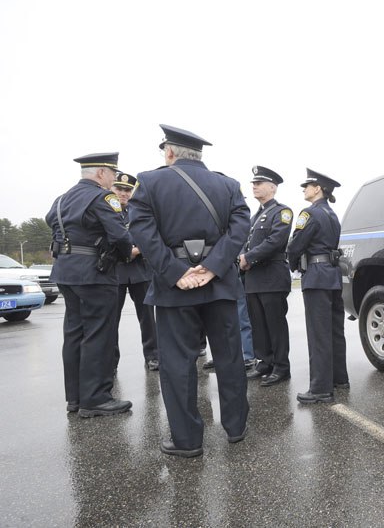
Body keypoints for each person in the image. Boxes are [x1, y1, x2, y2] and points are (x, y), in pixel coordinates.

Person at [127, 125, 250, 458]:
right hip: (220, 284)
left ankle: (187, 440)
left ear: (169, 152)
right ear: (199, 154)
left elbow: (141, 230)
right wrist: (214, 266)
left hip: (174, 290)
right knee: (229, 358)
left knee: (178, 364)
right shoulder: (229, 185)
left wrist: (176, 272)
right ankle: (236, 428)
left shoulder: (150, 182)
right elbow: (241, 227)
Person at [45, 153, 134, 418]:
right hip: (95, 273)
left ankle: (75, 398)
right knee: (99, 334)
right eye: (113, 174)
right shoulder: (103, 197)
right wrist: (126, 253)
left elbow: (51, 222)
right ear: (101, 173)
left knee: (74, 333)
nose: (114, 180)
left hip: (65, 272)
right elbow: (120, 234)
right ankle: (95, 399)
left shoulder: (61, 199)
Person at [287, 168, 348, 404]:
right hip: (332, 275)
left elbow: (295, 245)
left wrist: (293, 264)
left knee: (318, 334)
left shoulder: (310, 213)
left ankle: (321, 388)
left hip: (316, 276)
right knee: (334, 331)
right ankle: (339, 378)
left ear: (318, 189)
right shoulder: (332, 214)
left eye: (307, 185)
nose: (304, 189)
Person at [239, 166, 293, 387]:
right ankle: (265, 362)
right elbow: (247, 241)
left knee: (275, 324)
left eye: (259, 183)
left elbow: (275, 241)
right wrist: (242, 255)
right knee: (258, 324)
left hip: (272, 277)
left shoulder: (282, 212)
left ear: (272, 187)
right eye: (253, 183)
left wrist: (249, 258)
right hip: (254, 279)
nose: (254, 186)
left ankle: (281, 366)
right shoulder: (256, 215)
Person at [111, 172, 159, 372]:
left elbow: (151, 233)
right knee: (111, 320)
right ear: (112, 190)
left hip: (140, 269)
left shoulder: (140, 211)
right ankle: (110, 363)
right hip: (115, 271)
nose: (123, 193)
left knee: (147, 318)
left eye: (127, 190)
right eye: (119, 189)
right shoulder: (105, 209)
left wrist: (137, 249)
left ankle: (153, 356)